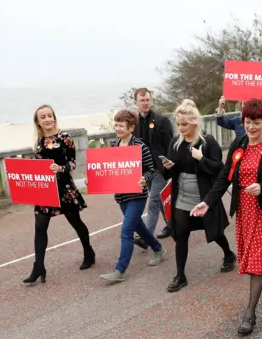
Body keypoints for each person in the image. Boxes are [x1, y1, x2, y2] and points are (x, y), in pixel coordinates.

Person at [191, 98, 262, 335]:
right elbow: (224, 177)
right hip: (246, 212)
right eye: (247, 122)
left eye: (256, 122)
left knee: (258, 261)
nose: (251, 127)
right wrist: (207, 202)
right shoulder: (239, 144)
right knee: (259, 258)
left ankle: (250, 315)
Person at [161, 99, 236, 293]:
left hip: (204, 196)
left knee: (214, 231)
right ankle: (180, 275)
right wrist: (167, 168)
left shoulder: (207, 142)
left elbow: (219, 169)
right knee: (180, 233)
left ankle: (228, 254)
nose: (181, 128)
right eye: (178, 124)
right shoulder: (175, 143)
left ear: (195, 122)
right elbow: (168, 173)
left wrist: (201, 159)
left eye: (184, 124)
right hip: (181, 196)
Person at [23, 105, 96, 284]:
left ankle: (88, 251)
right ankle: (38, 266)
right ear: (37, 122)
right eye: (43, 117)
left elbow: (73, 163)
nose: (47, 119)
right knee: (40, 227)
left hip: (64, 188)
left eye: (50, 115)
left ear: (54, 118)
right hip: (44, 190)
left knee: (76, 222)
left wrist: (61, 168)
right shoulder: (38, 141)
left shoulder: (65, 137)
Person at [100, 110, 165, 282]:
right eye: (116, 125)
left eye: (121, 125)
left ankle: (120, 270)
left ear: (131, 128)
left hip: (137, 196)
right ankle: (158, 248)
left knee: (126, 231)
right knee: (139, 227)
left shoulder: (140, 147)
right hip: (121, 197)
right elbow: (110, 172)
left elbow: (151, 170)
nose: (118, 128)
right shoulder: (114, 146)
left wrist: (145, 179)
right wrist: (94, 180)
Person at [133, 88, 174, 245]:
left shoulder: (161, 120)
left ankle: (146, 237)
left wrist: (169, 165)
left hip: (159, 168)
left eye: (148, 100)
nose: (145, 103)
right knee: (160, 199)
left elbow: (170, 144)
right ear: (136, 102)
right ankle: (171, 226)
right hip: (145, 170)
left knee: (154, 201)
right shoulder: (134, 123)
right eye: (142, 100)